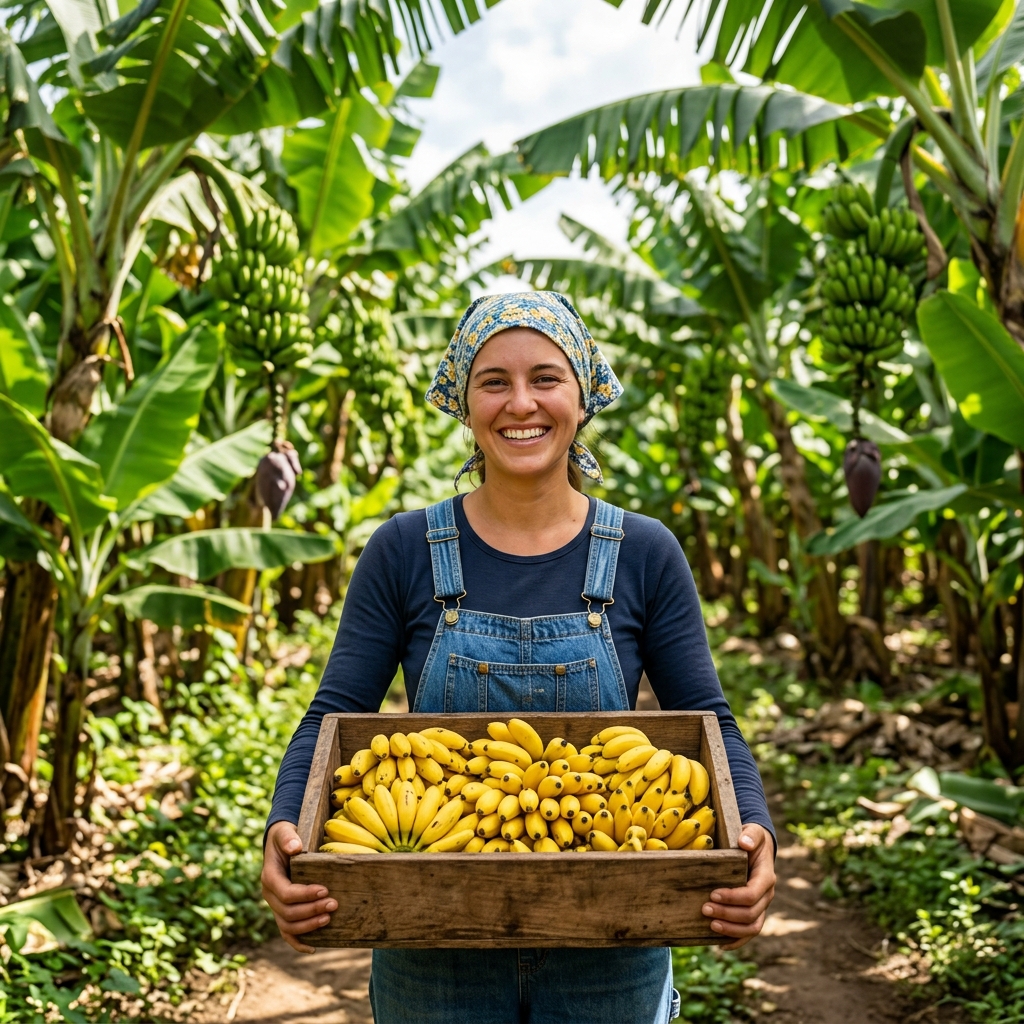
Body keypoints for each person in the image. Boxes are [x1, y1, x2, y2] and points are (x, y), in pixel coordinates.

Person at [262, 291, 776, 1023]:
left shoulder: (644, 553)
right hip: (431, 939)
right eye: (493, 381)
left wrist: (754, 830)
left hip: (612, 932)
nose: (520, 403)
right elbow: (334, 713)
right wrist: (286, 825)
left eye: (546, 377)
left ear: (583, 394)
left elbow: (712, 721)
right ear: (464, 403)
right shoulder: (404, 550)